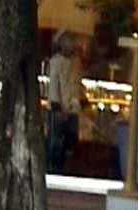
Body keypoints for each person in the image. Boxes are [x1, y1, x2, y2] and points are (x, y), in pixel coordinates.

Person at [47, 30, 82, 174]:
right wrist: (57, 106)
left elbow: (76, 84)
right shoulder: (56, 62)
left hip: (72, 108)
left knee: (70, 139)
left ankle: (65, 165)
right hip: (59, 108)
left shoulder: (75, 63)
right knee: (56, 140)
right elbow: (54, 85)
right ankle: (54, 167)